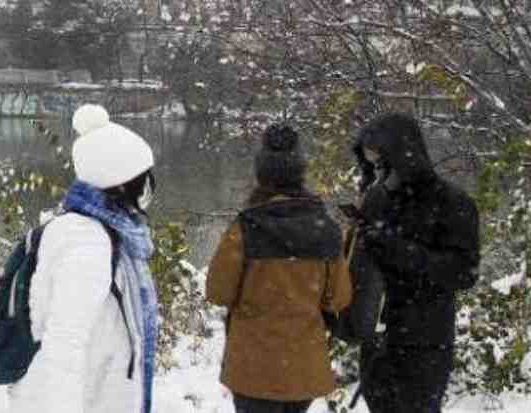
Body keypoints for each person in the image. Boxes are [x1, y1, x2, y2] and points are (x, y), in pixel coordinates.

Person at [10, 103, 158, 413]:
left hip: (97, 390)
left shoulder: (97, 229)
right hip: (86, 397)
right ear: (120, 182)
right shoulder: (87, 243)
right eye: (144, 177)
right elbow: (63, 343)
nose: (149, 186)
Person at [203, 124, 352, 413]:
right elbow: (339, 298)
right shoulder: (326, 229)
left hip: (253, 366)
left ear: (261, 176)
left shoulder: (245, 228)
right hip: (302, 365)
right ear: (300, 175)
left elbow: (218, 292)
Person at [349, 112, 480, 413]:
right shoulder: (376, 199)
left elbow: (464, 273)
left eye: (382, 159)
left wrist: (404, 252)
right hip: (379, 340)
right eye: (374, 161)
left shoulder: (452, 203)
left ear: (402, 154)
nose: (378, 168)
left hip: (426, 341)